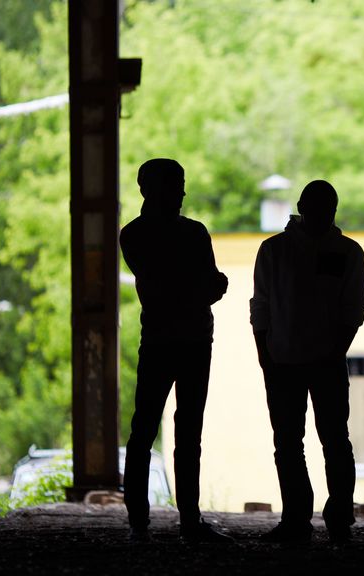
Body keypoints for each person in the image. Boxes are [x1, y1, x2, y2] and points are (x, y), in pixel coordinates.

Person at [250, 180, 364, 544]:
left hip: (288, 359)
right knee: (330, 440)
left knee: (294, 442)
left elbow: (262, 310)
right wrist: (334, 351)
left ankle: (301, 519)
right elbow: (353, 309)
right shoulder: (346, 251)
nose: (322, 214)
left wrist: (266, 356)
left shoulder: (275, 251)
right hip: (311, 361)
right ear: (303, 206)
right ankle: (334, 517)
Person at [120, 158, 232, 544]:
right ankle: (188, 521)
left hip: (161, 340)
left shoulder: (133, 235)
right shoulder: (193, 234)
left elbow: (164, 286)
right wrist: (200, 286)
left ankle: (140, 522)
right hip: (194, 340)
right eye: (177, 184)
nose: (183, 192)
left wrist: (192, 286)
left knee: (144, 430)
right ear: (152, 188)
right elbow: (211, 285)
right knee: (186, 433)